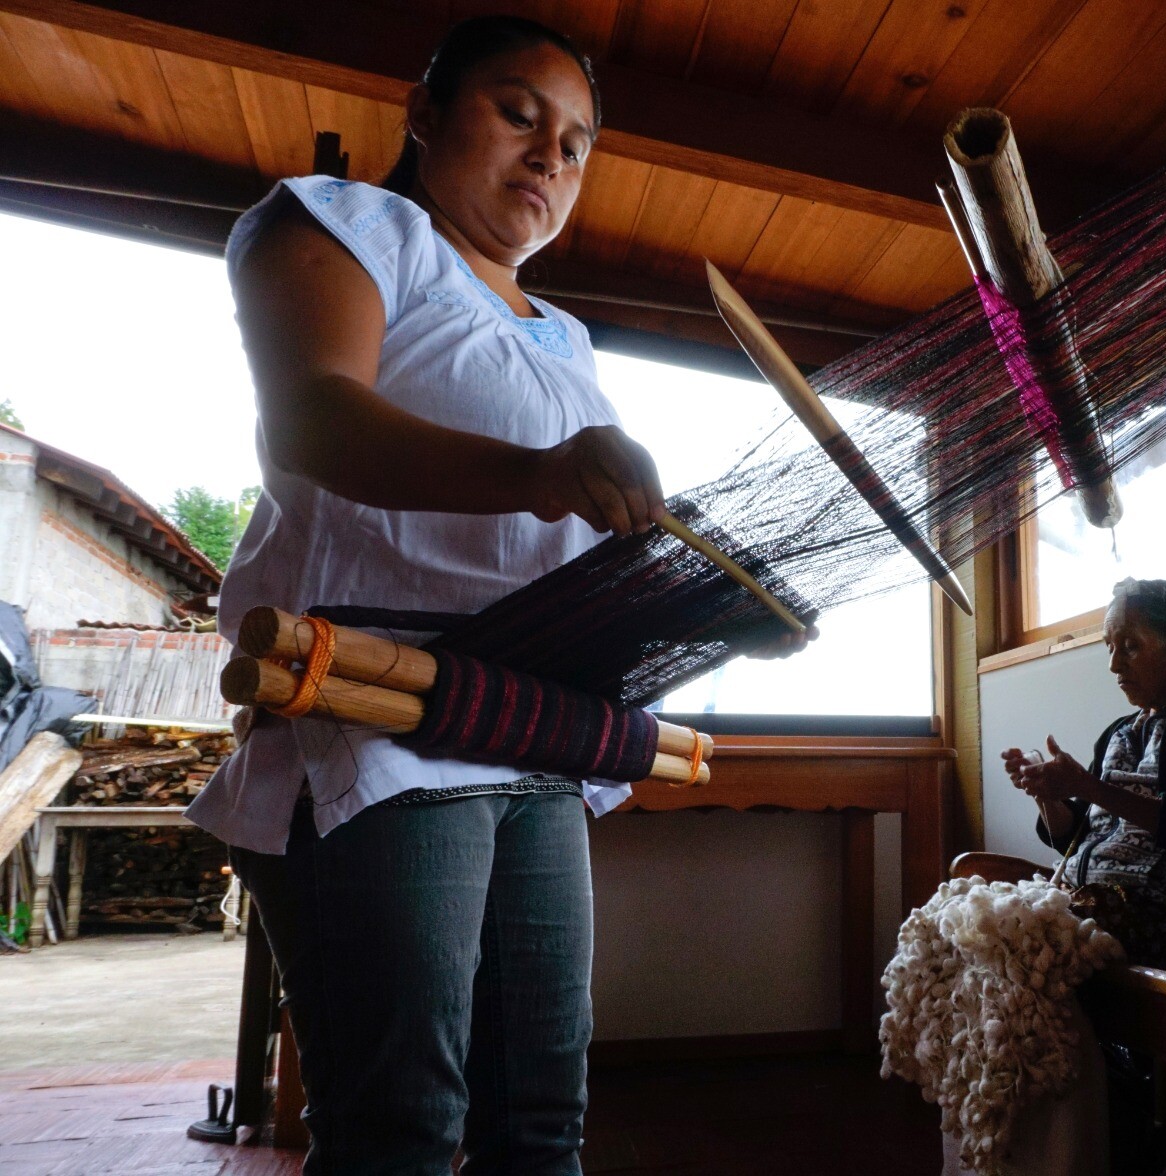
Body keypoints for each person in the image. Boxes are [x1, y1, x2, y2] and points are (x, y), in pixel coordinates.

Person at [185, 16, 806, 1173]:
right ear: (423, 113)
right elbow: (316, 416)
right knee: (402, 1134)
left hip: (529, 728)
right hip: (374, 714)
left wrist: (694, 607)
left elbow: (562, 546)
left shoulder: (559, 334)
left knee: (541, 1126)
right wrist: (541, 474)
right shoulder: (354, 227)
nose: (549, 159)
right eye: (518, 114)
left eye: (575, 145)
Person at [1000, 576, 1166, 981]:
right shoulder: (1118, 732)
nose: (1113, 664)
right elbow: (1078, 836)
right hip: (1091, 904)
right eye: (1109, 647)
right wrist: (1046, 791)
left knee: (1022, 947)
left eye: (1130, 646)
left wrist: (1085, 785)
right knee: (975, 929)